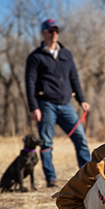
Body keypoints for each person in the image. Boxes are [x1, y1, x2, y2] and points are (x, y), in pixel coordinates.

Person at [25, 19, 91, 188]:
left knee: (81, 139)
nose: (54, 33)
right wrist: (34, 107)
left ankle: (89, 174)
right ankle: (51, 178)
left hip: (66, 104)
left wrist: (81, 99)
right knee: (46, 143)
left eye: (56, 30)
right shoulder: (35, 57)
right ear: (43, 33)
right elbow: (30, 82)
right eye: (50, 30)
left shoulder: (66, 54)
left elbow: (74, 78)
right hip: (46, 105)